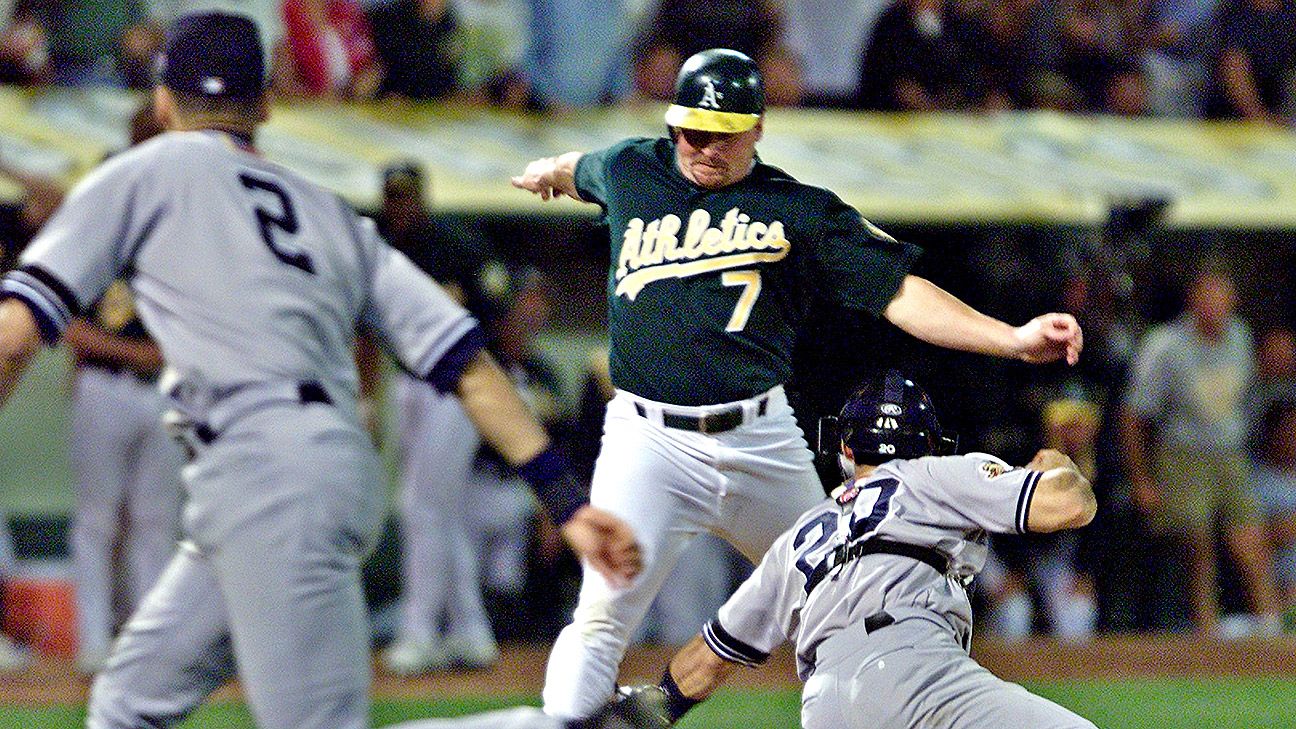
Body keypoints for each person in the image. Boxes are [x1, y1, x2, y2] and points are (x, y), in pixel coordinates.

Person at [0, 12, 639, 729]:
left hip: (264, 471)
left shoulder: (137, 173)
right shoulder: (326, 211)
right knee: (124, 707)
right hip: (305, 464)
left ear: (162, 100)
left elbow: (16, 332)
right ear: (267, 102)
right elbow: (468, 365)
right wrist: (564, 499)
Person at [510, 47, 1084, 720]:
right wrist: (549, 172)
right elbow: (580, 170)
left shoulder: (798, 210)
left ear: (756, 128)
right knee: (603, 613)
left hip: (760, 435)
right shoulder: (632, 168)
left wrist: (1010, 338)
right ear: (671, 125)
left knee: (843, 578)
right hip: (648, 441)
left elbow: (898, 292)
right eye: (692, 130)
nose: (705, 146)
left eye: (723, 134)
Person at [376, 371, 1100, 729]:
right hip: (918, 670)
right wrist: (1052, 461)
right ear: (924, 442)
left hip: (827, 705)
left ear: (846, 448)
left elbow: (703, 662)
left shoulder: (802, 534)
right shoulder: (940, 473)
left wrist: (637, 711)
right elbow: (1071, 504)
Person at [1120, 262, 1282, 634]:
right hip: (1182, 454)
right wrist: (1141, 477)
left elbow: (1245, 399)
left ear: (1233, 301)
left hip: (1230, 454)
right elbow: (1134, 414)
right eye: (1205, 296)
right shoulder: (1165, 344)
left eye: (1221, 297)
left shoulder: (1240, 337)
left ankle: (1273, 630)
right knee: (1197, 541)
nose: (1213, 305)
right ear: (1192, 301)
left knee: (1250, 537)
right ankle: (1205, 636)